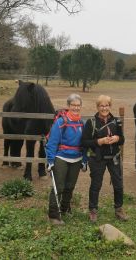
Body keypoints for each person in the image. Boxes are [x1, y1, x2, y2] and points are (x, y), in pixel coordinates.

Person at [81, 95, 127, 223]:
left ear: (110, 106)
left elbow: (122, 139)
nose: (104, 108)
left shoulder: (116, 121)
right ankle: (93, 211)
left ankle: (119, 209)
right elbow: (84, 142)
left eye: (107, 105)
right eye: (102, 105)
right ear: (97, 107)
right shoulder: (91, 122)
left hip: (114, 158)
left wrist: (117, 139)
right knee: (96, 185)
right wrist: (99, 141)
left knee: (118, 185)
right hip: (97, 159)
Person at [46, 94, 84, 225]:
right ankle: (54, 215)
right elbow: (52, 142)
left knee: (70, 186)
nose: (76, 108)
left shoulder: (81, 123)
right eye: (73, 105)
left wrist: (84, 160)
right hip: (61, 157)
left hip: (76, 159)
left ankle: (65, 208)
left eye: (78, 105)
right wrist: (50, 161)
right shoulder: (61, 122)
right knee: (59, 186)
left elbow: (84, 144)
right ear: (68, 106)